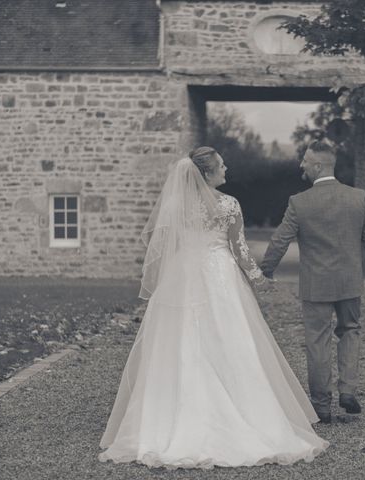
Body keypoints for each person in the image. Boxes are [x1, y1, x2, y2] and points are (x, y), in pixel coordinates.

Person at [98, 147, 327, 469]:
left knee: (177, 343)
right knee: (230, 340)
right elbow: (240, 248)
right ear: (206, 173)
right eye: (221, 165)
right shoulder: (228, 204)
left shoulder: (175, 205)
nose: (226, 168)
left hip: (182, 276)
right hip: (220, 275)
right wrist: (258, 276)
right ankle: (247, 415)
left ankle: (166, 417)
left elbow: (166, 247)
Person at [260, 140, 365, 424]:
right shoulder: (357, 197)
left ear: (318, 166)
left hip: (316, 284)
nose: (301, 164)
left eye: (305, 160)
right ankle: (348, 390)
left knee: (318, 341)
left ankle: (321, 405)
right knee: (351, 330)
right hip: (350, 282)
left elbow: (280, 240)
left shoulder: (299, 202)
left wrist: (265, 270)